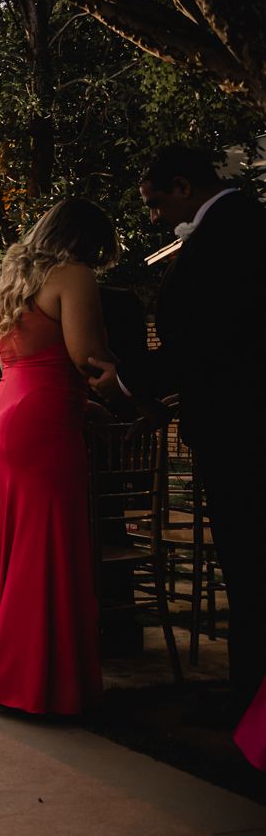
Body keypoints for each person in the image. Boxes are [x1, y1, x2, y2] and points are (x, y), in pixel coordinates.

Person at [92, 147, 266, 705]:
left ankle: (249, 704)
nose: (154, 216)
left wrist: (125, 385)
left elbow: (205, 342)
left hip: (240, 428)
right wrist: (163, 407)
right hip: (225, 413)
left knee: (249, 567)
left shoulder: (230, 235)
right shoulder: (239, 224)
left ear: (184, 186)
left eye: (155, 201)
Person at [0, 199, 115, 716]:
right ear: (88, 240)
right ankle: (35, 683)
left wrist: (84, 408)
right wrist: (128, 397)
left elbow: (35, 357)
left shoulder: (16, 280)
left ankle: (3, 673)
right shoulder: (73, 274)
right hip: (43, 421)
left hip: (7, 413)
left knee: (18, 542)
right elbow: (87, 357)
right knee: (49, 543)